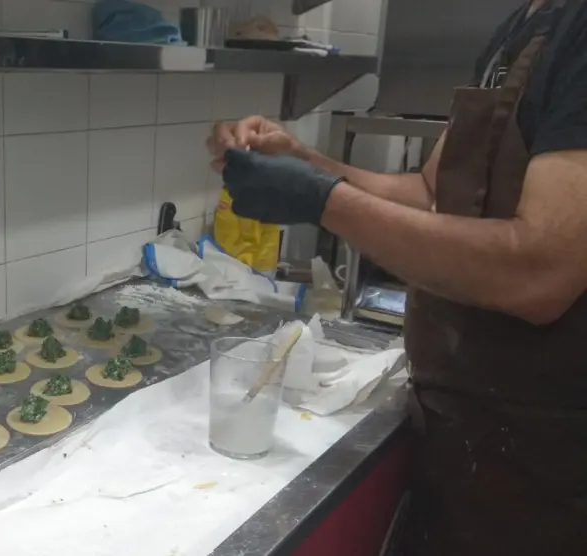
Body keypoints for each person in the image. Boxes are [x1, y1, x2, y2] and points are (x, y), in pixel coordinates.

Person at [207, 1, 587, 555]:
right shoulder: (522, 26)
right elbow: (432, 194)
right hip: (466, 427)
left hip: (547, 459)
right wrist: (304, 162)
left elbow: (541, 274)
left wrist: (322, 201)